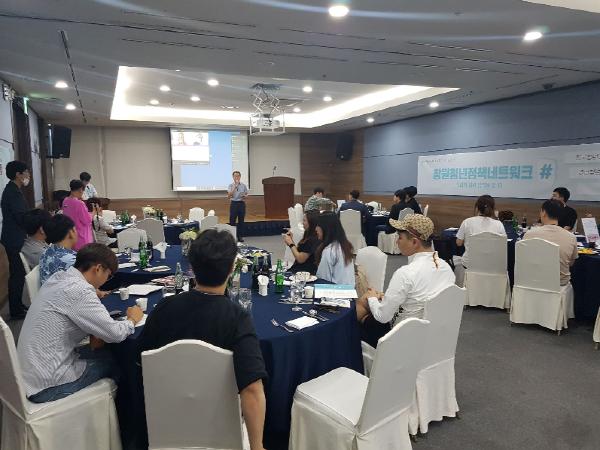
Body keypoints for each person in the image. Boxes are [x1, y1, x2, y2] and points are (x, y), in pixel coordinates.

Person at [138, 229, 267, 450]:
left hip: (167, 421)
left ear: (192, 267)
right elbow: (252, 390)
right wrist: (257, 446)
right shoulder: (237, 318)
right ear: (231, 269)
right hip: (221, 427)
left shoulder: (164, 308)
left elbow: (142, 361)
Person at [17, 244, 143, 403]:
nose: (106, 280)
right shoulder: (80, 292)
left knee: (102, 350)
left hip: (28, 375)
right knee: (120, 361)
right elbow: (115, 334)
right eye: (108, 275)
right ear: (98, 269)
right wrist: (132, 319)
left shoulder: (58, 277)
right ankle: (124, 412)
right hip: (47, 385)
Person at [356, 214, 455, 347]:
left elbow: (382, 316)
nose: (397, 241)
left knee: (357, 318)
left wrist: (372, 298)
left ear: (414, 242)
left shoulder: (406, 274)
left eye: (400, 237)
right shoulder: (446, 268)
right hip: (434, 336)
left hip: (401, 339)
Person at [523, 199, 578, 286]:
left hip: (533, 282)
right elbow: (571, 263)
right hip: (559, 284)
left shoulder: (529, 234)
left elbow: (524, 259)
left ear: (543, 213)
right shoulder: (571, 237)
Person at [1, 160, 30, 319]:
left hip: (14, 237)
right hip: (14, 239)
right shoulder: (12, 192)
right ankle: (16, 310)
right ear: (18, 174)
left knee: (18, 273)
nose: (28, 175)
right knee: (17, 274)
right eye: (26, 172)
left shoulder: (13, 189)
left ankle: (17, 305)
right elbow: (21, 217)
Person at [456, 195, 506, 269]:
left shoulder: (467, 222)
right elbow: (503, 245)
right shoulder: (499, 224)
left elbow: (459, 243)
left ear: (477, 208)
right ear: (493, 209)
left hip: (469, 264)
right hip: (492, 265)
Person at [315, 212, 355, 285]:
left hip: (335, 290)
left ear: (326, 228)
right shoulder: (344, 246)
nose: (316, 229)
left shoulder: (329, 251)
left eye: (318, 225)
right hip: (350, 290)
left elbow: (323, 280)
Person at [39, 214, 78, 285]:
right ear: (70, 233)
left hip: (47, 291)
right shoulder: (71, 260)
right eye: (75, 229)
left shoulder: (47, 251)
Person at [283, 210, 321, 274]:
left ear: (311, 223)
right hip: (300, 269)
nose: (302, 223)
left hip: (303, 272)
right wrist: (291, 240)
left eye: (304, 220)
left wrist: (291, 243)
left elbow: (300, 259)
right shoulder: (308, 235)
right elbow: (301, 250)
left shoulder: (313, 239)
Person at [62, 179, 93, 250]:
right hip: (82, 238)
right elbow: (87, 221)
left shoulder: (65, 201)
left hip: (70, 237)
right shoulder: (80, 204)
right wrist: (93, 213)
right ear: (80, 190)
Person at [227, 171, 248, 242]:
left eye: (238, 176)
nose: (237, 177)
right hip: (234, 204)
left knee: (241, 221)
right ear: (233, 177)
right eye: (235, 176)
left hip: (241, 204)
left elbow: (246, 194)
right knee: (232, 220)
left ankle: (240, 236)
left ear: (240, 177)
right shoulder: (230, 185)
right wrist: (235, 187)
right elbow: (229, 196)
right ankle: (232, 236)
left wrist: (245, 196)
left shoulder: (243, 185)